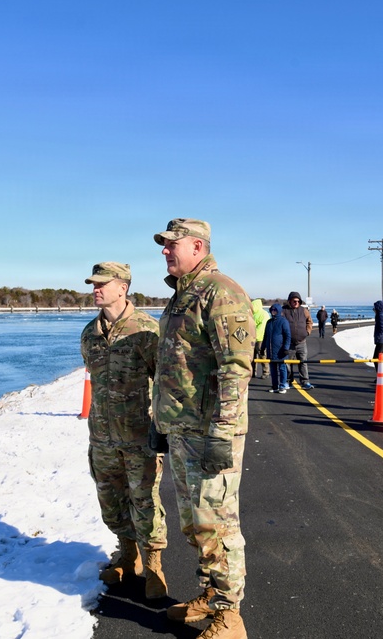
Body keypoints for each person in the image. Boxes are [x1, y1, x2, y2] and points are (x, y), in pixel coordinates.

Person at [152, 218, 253, 638]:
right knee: (195, 524)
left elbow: (235, 368)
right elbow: (171, 364)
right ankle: (212, 594)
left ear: (197, 246)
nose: (164, 251)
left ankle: (230, 615)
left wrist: (223, 432)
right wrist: (161, 421)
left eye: (171, 244)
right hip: (182, 431)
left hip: (210, 431)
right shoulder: (181, 296)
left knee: (217, 523)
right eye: (163, 245)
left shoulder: (220, 291)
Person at [79, 262, 168, 598]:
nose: (96, 289)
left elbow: (164, 381)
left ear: (123, 287)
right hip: (101, 438)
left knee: (145, 503)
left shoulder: (146, 330)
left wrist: (163, 428)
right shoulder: (90, 333)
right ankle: (128, 556)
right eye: (93, 284)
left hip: (138, 437)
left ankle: (154, 565)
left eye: (102, 283)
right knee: (111, 501)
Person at [282, 291, 314, 390]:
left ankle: (305, 382)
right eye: (294, 301)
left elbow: (309, 321)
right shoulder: (284, 311)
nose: (296, 303)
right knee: (287, 363)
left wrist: (307, 332)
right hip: (289, 343)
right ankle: (288, 381)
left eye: (298, 301)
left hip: (301, 342)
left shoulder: (304, 311)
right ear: (289, 301)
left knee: (303, 362)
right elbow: (279, 323)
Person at [262, 303, 291, 393]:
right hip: (271, 350)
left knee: (282, 368)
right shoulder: (269, 322)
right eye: (272, 310)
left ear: (279, 311)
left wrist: (286, 348)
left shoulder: (283, 321)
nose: (273, 312)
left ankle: (282, 386)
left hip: (280, 350)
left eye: (275, 310)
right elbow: (266, 336)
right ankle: (275, 386)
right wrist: (263, 347)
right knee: (273, 370)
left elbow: (287, 336)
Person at [250, 299, 270, 379]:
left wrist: (254, 336)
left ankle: (266, 372)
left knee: (262, 356)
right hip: (252, 338)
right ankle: (252, 372)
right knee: (252, 357)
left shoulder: (263, 314)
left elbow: (261, 328)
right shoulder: (252, 314)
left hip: (260, 339)